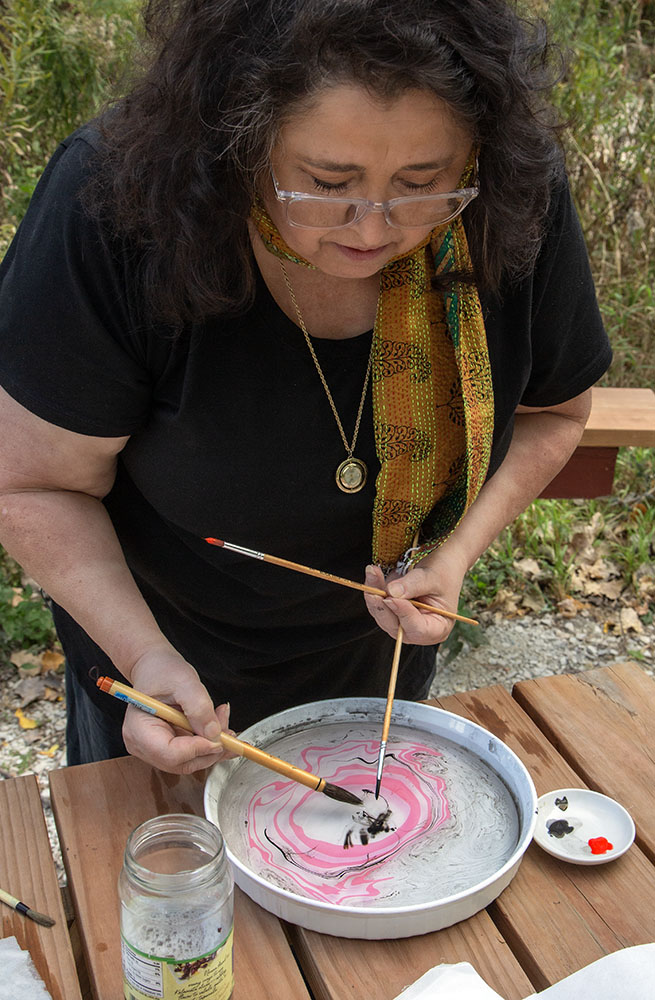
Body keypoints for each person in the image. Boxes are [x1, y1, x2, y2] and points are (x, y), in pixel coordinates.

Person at [0, 0, 611, 774]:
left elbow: (555, 412)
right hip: (160, 654)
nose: (371, 229)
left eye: (422, 183)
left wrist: (453, 554)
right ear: (241, 138)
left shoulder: (509, 198)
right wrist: (143, 662)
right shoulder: (120, 201)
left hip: (378, 658)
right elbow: (33, 486)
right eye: (328, 182)